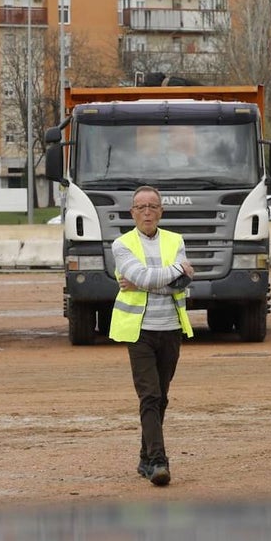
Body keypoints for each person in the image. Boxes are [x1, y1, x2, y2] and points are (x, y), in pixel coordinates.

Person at [110, 185, 195, 487]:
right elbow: (158, 276)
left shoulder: (175, 240)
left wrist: (144, 281)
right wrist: (172, 271)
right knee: (150, 395)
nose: (147, 212)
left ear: (161, 211)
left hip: (171, 329)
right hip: (139, 332)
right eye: (140, 207)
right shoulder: (122, 244)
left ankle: (145, 457)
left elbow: (180, 285)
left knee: (162, 398)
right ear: (132, 212)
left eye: (152, 206)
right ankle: (159, 461)